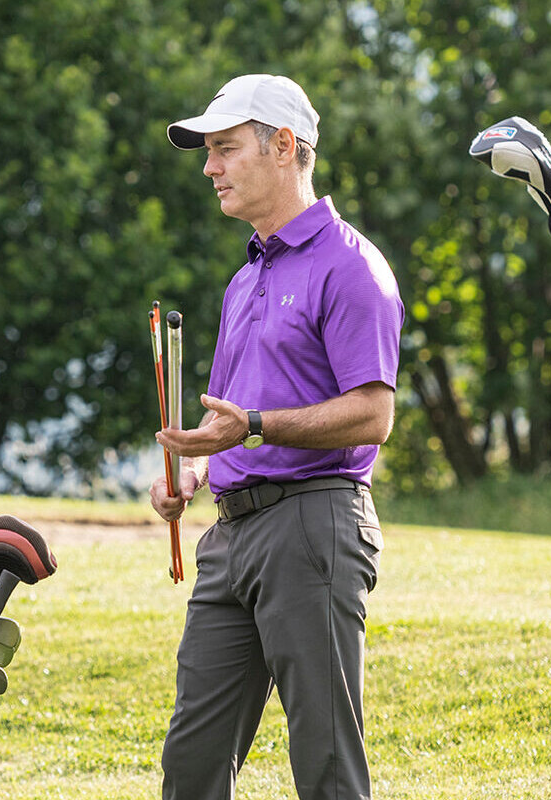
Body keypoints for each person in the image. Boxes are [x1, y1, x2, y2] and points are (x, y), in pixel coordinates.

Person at [153, 73, 405, 800]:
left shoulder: (351, 266)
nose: (209, 168)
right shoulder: (246, 278)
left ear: (284, 147)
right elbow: (225, 413)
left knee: (326, 764)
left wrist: (256, 428)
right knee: (191, 765)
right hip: (231, 540)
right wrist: (192, 472)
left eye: (224, 149)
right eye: (209, 153)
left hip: (313, 524)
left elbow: (373, 414)